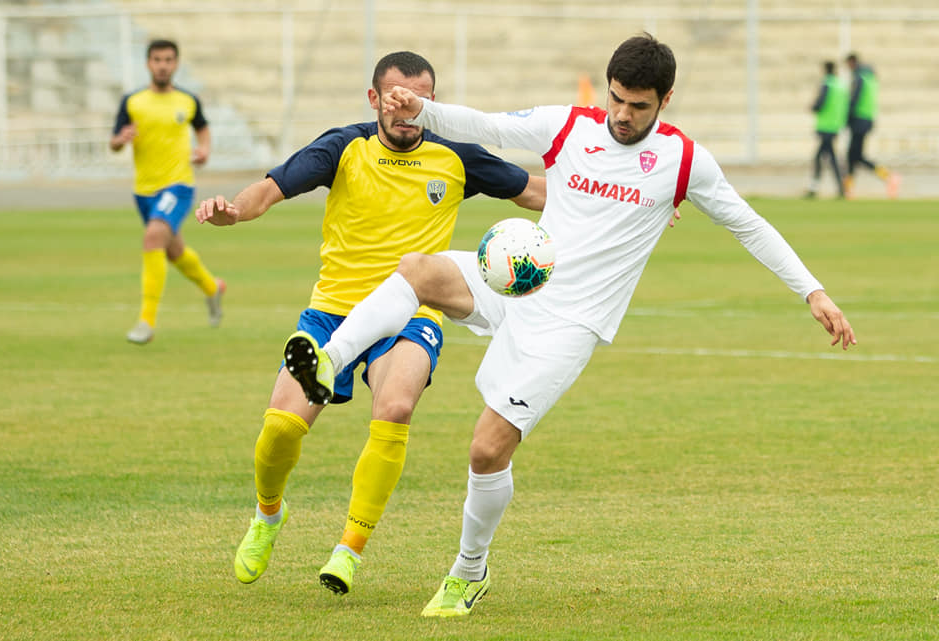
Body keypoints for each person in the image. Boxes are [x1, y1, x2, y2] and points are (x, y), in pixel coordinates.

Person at [289, 34, 858, 618]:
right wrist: (423, 110)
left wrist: (812, 290)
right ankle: (330, 359)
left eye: (638, 106)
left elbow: (750, 224)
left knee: (486, 451)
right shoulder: (570, 126)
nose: (622, 115)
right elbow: (491, 126)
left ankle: (468, 570)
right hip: (520, 279)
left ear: (665, 100)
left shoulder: (683, 161)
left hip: (569, 324)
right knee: (417, 271)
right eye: (616, 99)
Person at [194, 51, 545, 595]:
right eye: (395, 98)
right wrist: (233, 211)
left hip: (412, 313)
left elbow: (535, 191)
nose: (406, 110)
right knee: (280, 430)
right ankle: (268, 516)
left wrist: (627, 206)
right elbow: (265, 191)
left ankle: (348, 550)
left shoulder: (455, 155)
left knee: (396, 406)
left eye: (418, 100)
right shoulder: (343, 147)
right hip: (333, 309)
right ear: (374, 98)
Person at [110, 39, 224, 344]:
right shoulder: (132, 101)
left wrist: (204, 149)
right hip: (144, 191)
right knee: (172, 251)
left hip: (178, 185)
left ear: (176, 64)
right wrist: (121, 138)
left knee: (152, 236)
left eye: (168, 59)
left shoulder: (188, 100)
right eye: (157, 59)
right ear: (148, 63)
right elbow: (114, 142)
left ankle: (146, 321)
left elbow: (202, 128)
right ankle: (213, 288)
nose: (163, 65)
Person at [843, 52, 900, 199]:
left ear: (852, 62)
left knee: (855, 155)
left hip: (859, 120)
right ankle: (850, 187)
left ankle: (888, 176)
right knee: (854, 155)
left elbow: (854, 99)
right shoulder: (871, 78)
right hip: (867, 119)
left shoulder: (860, 78)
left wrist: (846, 117)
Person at [806, 61, 847, 199]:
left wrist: (813, 107)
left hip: (825, 126)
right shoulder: (839, 85)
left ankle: (814, 188)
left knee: (821, 158)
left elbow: (820, 103)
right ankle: (840, 188)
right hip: (835, 125)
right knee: (830, 158)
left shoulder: (827, 84)